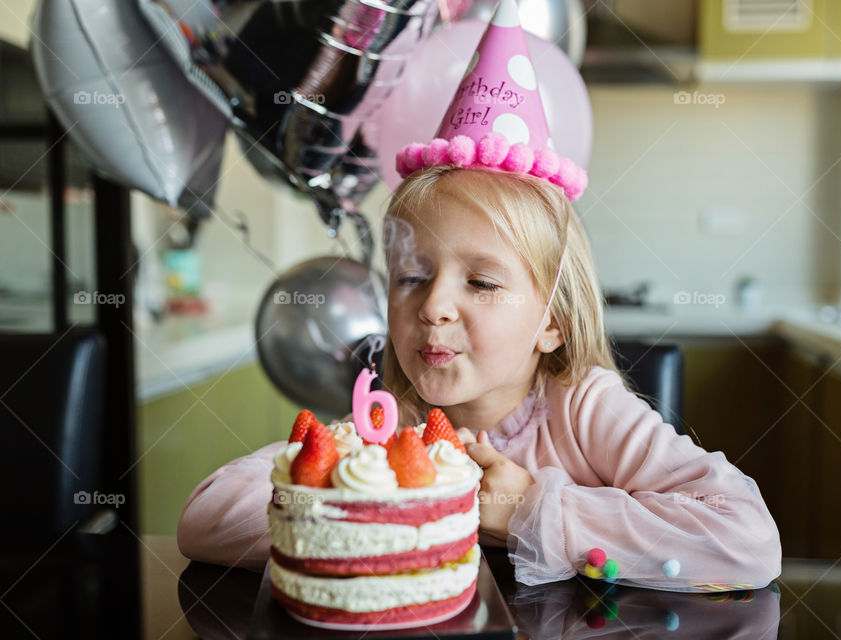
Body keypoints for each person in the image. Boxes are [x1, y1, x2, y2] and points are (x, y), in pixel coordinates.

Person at [178, 0, 781, 592]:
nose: (433, 307)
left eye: (482, 282)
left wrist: (528, 509)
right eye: (411, 276)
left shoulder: (582, 411)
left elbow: (746, 540)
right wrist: (398, 510)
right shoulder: (389, 424)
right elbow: (205, 520)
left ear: (554, 321)